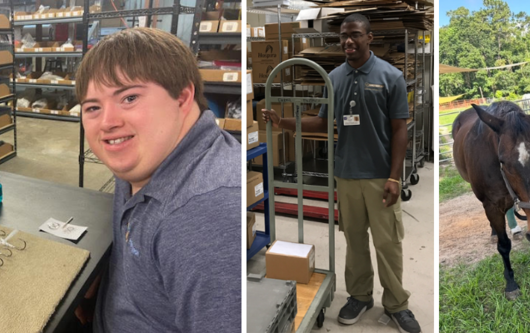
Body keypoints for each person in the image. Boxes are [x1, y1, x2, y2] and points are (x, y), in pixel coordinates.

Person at [261, 14, 421, 333]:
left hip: (379, 175)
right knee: (355, 240)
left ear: (369, 37)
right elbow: (322, 123)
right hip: (346, 175)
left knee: (388, 243)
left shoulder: (391, 76)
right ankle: (360, 296)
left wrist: (394, 177)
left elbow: (400, 129)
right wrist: (283, 122)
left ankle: (396, 304)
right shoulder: (334, 76)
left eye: (355, 35)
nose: (348, 41)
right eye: (343, 36)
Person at [74, 27, 241, 332]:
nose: (108, 122)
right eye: (93, 108)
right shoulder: (148, 157)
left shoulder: (203, 216)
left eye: (129, 97)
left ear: (183, 96)